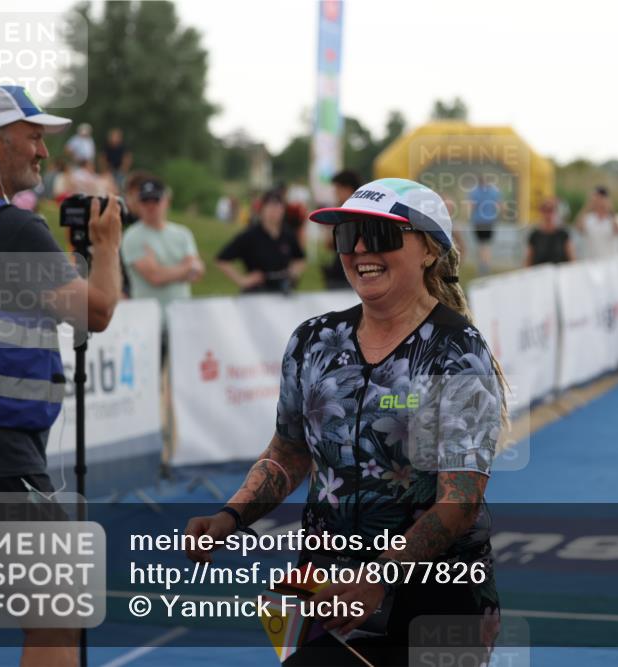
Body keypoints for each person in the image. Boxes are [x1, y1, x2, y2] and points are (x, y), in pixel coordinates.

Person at [185, 178, 508, 665]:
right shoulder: (313, 341)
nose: (358, 249)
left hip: (434, 609)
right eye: (346, 235)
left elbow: (459, 504)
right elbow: (288, 452)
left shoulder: (458, 351)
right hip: (327, 595)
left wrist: (376, 577)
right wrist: (231, 515)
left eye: (378, 235)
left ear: (428, 250)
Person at [0, 86, 123, 667]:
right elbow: (95, 311)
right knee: (56, 622)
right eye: (33, 135)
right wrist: (107, 246)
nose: (43, 151)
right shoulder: (10, 227)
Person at [120, 176, 204, 347]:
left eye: (155, 200)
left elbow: (198, 271)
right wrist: (185, 268)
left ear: (166, 201)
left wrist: (167, 270)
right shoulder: (132, 236)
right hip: (148, 322)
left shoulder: (182, 233)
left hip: (180, 319)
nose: (151, 206)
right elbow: (155, 277)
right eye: (145, 201)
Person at [215, 190, 306, 294]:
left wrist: (293, 274)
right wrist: (242, 280)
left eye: (278, 207)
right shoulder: (250, 235)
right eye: (271, 207)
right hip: (257, 292)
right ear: (262, 209)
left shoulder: (288, 234)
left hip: (282, 292)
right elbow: (222, 260)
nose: (274, 211)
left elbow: (300, 258)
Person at [322, 169, 362, 289]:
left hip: (347, 274)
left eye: (337, 189)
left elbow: (330, 243)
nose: (335, 193)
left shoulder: (353, 215)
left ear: (348, 189)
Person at [575, 186, 618, 260]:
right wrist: (587, 207)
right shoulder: (588, 219)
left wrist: (610, 210)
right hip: (591, 264)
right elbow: (578, 228)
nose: (598, 202)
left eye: (600, 198)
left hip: (611, 264)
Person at [526, 198, 575, 266]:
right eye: (545, 210)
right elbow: (528, 260)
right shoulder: (535, 235)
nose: (548, 214)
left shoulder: (563, 234)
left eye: (551, 210)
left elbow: (571, 259)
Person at [469, 175, 501, 275]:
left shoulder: (475, 192)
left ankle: (483, 266)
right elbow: (498, 206)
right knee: (486, 245)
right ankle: (486, 265)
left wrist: (470, 217)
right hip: (490, 221)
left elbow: (472, 206)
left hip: (478, 221)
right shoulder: (494, 192)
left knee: (481, 245)